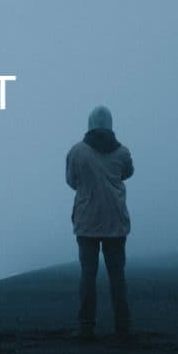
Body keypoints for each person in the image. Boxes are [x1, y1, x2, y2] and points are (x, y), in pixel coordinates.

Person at [65, 105, 134, 341]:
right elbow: (128, 173)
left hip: (87, 222)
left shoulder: (77, 152)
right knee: (117, 276)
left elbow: (71, 181)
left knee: (88, 276)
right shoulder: (122, 152)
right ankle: (122, 328)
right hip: (115, 221)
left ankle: (86, 327)